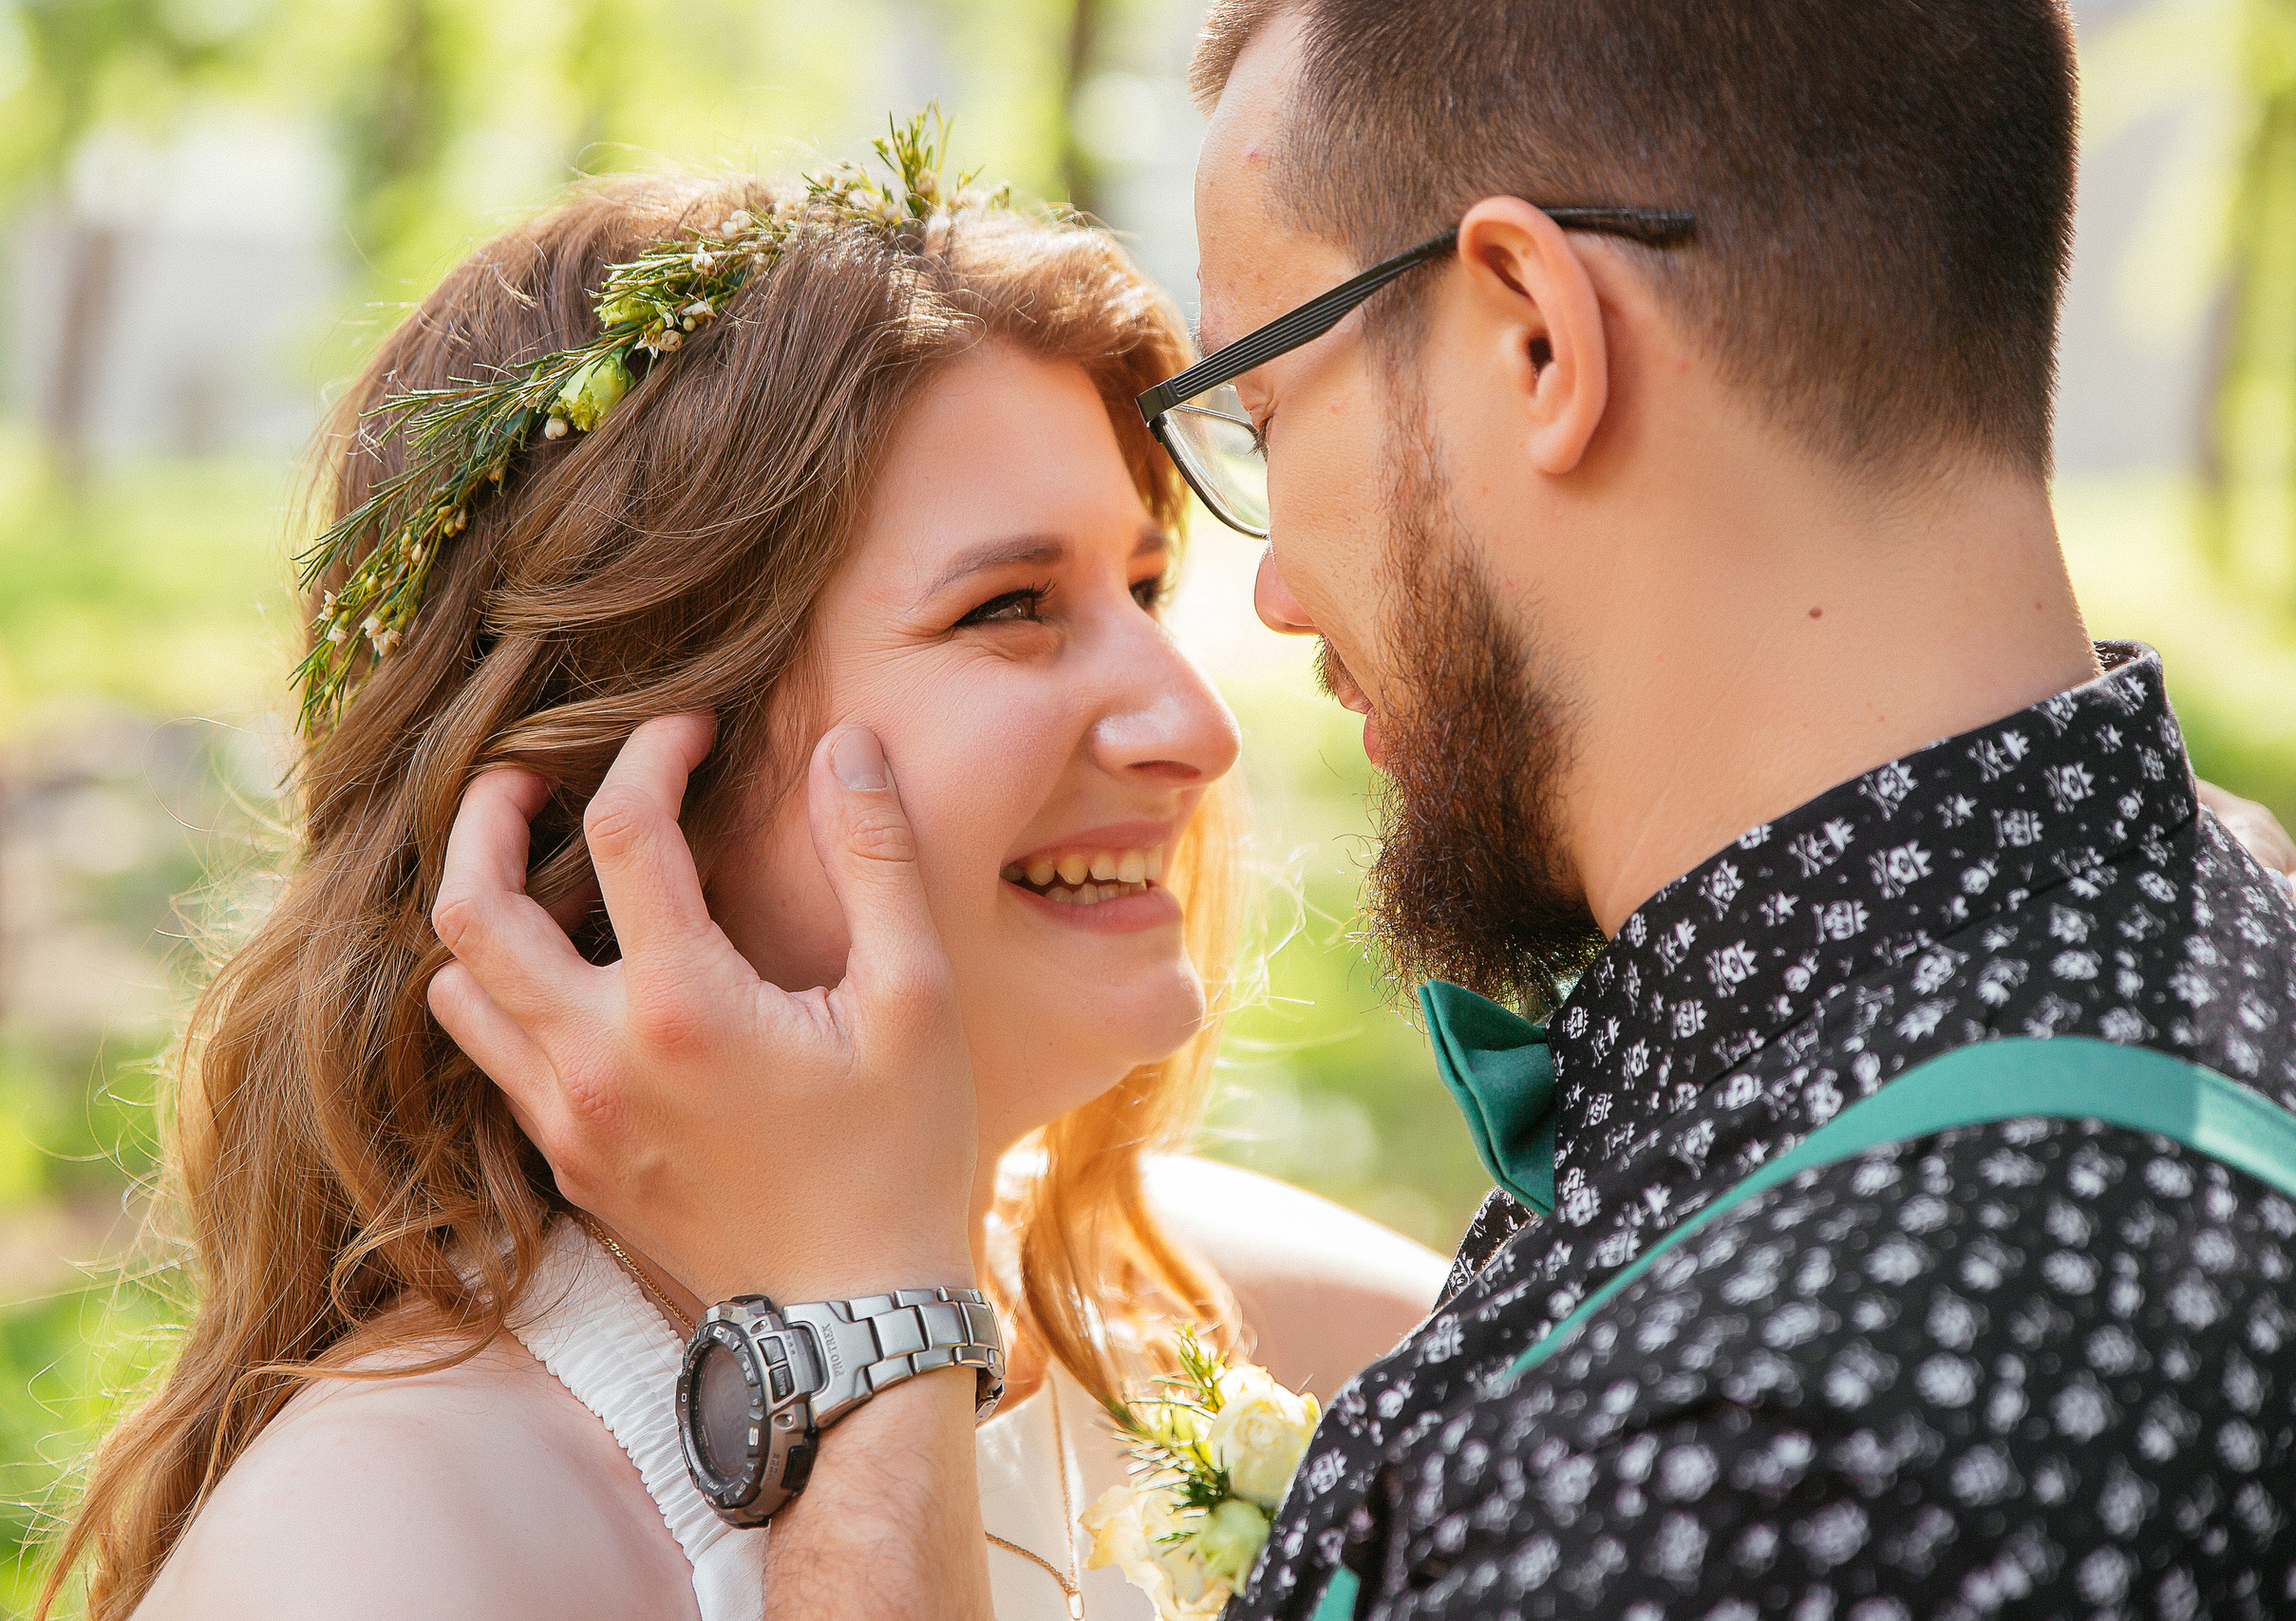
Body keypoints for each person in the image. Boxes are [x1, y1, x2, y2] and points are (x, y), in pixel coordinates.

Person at [426, 6, 2296, 1621]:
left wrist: (858, 1349)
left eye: (1266, 410)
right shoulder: (2175, 956)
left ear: (1536, 339)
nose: (1262, 603)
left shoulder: (1759, 1460)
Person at [45, 161, 1447, 1621]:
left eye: (1143, 594)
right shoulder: (389, 1542)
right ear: (630, 789)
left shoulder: (1246, 1320)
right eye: (1010, 608)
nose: (1196, 727)